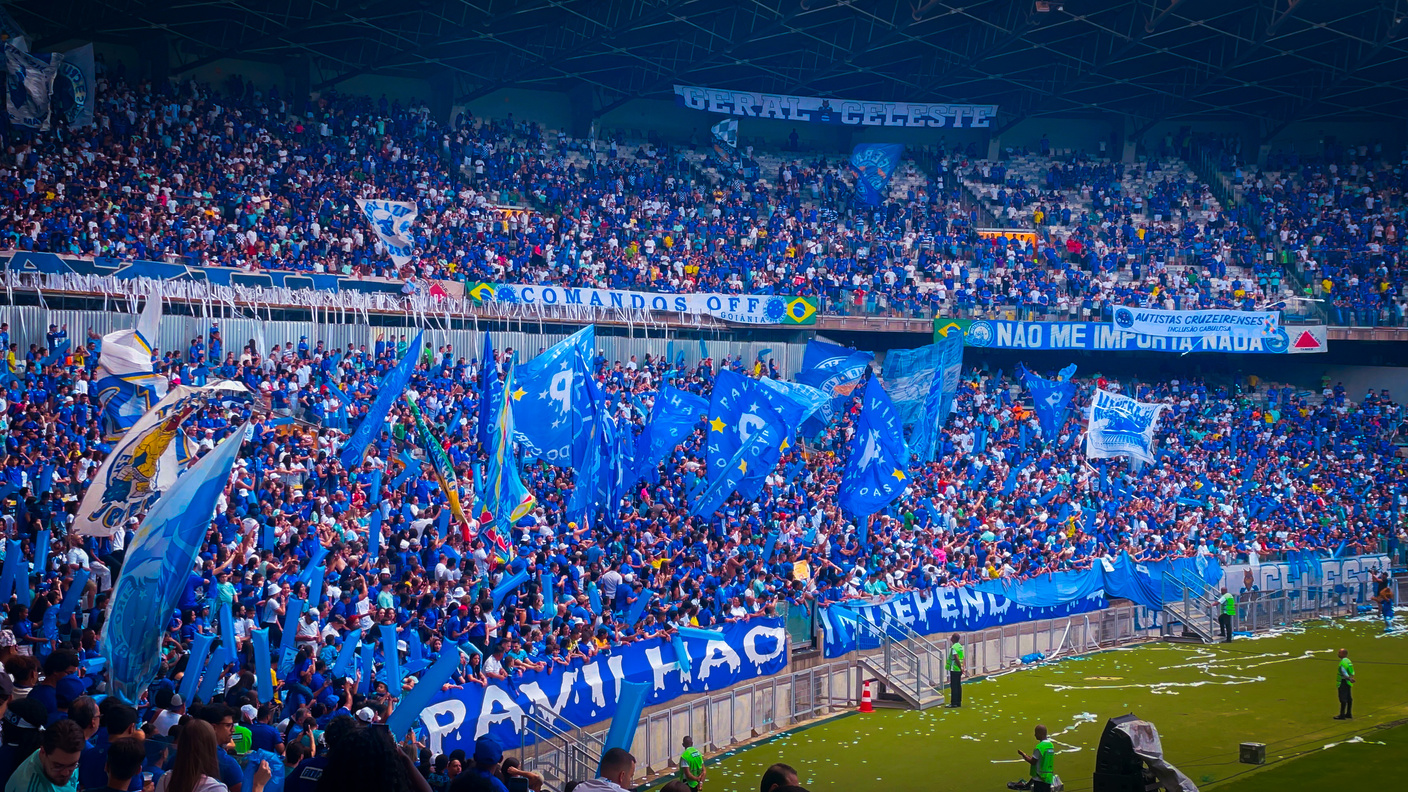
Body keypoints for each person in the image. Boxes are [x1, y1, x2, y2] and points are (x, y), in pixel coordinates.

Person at [157, 720, 269, 792]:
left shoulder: (165, 779)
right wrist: (258, 786)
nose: (232, 729)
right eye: (228, 725)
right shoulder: (214, 788)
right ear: (211, 747)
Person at [3, 716, 84, 792]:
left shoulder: (63, 758)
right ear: (42, 752)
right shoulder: (26, 788)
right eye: (58, 766)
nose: (66, 773)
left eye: (72, 765)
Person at [1014, 724, 1056, 792]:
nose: (1035, 735)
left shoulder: (1039, 747)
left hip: (1039, 778)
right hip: (1048, 778)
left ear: (1040, 734)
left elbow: (1033, 762)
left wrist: (1023, 755)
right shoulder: (1050, 745)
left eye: (1036, 733)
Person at [1335, 648, 1355, 720]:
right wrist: (1351, 678)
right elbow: (1352, 671)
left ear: (1343, 654)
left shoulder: (1343, 663)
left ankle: (1342, 715)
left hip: (1343, 681)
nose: (1338, 654)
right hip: (1348, 682)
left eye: (1339, 653)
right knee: (1349, 698)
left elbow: (1344, 673)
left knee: (1343, 699)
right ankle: (1349, 713)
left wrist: (1349, 678)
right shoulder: (1348, 661)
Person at [946, 634, 964, 708]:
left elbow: (956, 658)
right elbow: (962, 657)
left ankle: (954, 703)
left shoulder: (954, 647)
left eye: (952, 637)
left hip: (954, 668)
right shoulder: (960, 646)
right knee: (958, 685)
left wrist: (960, 667)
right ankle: (958, 702)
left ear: (953, 638)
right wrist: (962, 667)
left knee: (954, 686)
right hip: (959, 669)